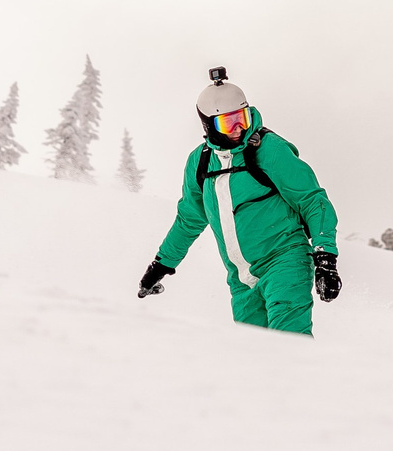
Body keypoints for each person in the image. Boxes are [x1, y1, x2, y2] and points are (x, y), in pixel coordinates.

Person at [136, 68, 341, 334]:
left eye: (242, 119)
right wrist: (161, 265)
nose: (238, 129)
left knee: (289, 343)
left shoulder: (269, 149)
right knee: (254, 353)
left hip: (285, 261)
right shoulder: (200, 162)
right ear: (209, 125)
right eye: (228, 123)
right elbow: (189, 220)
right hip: (241, 279)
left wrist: (325, 258)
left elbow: (312, 200)